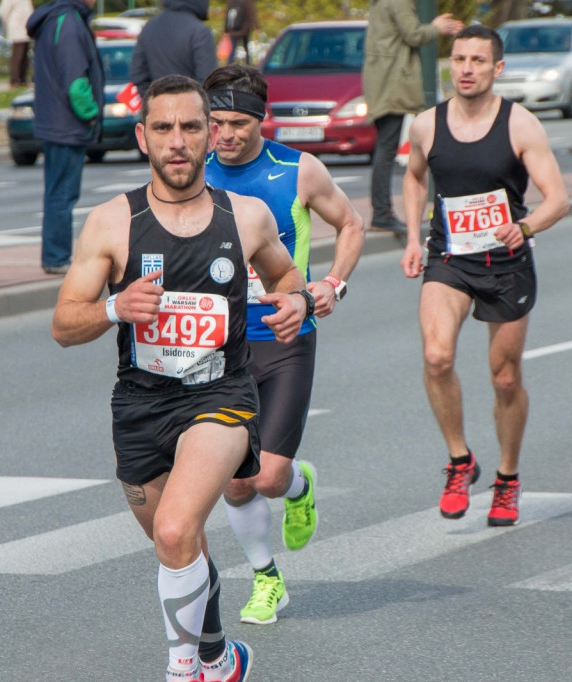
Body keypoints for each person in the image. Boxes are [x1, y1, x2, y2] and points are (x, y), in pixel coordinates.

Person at [52, 74, 310, 682]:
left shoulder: (245, 217)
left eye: (191, 127)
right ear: (143, 137)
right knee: (178, 543)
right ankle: (219, 656)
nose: (178, 141)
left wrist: (296, 300)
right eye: (163, 128)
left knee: (174, 527)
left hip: (220, 396)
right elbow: (64, 324)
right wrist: (116, 308)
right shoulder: (111, 224)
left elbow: (285, 277)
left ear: (210, 135)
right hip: (140, 404)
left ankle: (182, 670)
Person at [202, 64, 365, 625]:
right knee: (235, 478)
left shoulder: (297, 170)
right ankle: (266, 578)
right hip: (216, 348)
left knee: (268, 476)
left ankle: (298, 483)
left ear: (260, 119)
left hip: (285, 336)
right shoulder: (192, 173)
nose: (224, 134)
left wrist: (331, 285)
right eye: (214, 121)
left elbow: (351, 225)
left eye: (237, 123)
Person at [400, 25, 569, 526]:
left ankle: (508, 477)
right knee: (436, 356)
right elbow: (413, 177)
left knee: (505, 376)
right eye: (459, 59)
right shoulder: (426, 124)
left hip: (506, 261)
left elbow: (558, 198)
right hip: (449, 256)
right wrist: (412, 237)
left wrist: (525, 226)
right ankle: (459, 461)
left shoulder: (521, 125)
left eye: (478, 60)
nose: (466, 69)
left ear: (498, 68)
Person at [362, 0, 463, 235]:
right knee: (388, 149)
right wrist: (436, 27)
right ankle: (382, 213)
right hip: (392, 83)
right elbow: (414, 35)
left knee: (387, 148)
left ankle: (383, 212)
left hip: (384, 82)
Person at [26, 0, 104, 275]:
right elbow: (76, 81)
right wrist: (91, 113)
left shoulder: (57, 19)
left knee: (56, 192)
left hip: (55, 121)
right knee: (63, 193)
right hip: (66, 124)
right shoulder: (68, 23)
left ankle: (54, 255)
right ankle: (56, 257)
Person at [129, 0, 217, 97]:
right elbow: (208, 80)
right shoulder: (200, 31)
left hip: (158, 105)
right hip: (189, 106)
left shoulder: (149, 28)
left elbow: (138, 74)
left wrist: (153, 100)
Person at [0, 0, 33, 88]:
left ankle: (23, 78)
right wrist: (9, 23)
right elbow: (4, 11)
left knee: (25, 57)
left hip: (26, 28)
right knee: (17, 56)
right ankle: (14, 80)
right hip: (17, 28)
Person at [223, 0, 257, 65]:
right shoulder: (248, 2)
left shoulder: (232, 2)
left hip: (234, 30)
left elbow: (228, 16)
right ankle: (248, 64)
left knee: (234, 48)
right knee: (245, 47)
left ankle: (230, 64)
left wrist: (226, 29)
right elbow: (252, 14)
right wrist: (256, 26)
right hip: (244, 29)